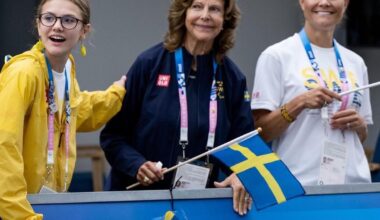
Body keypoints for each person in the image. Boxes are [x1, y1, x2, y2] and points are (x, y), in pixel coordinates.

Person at [100, 0, 253, 215]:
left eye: (215, 9)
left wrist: (241, 173)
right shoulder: (149, 63)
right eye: (197, 6)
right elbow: (113, 137)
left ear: (225, 19)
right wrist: (137, 165)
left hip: (197, 207)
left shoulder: (232, 78)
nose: (205, 15)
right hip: (138, 203)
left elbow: (245, 145)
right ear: (183, 13)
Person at [0, 0, 126, 219]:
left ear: (84, 30)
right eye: (49, 18)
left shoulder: (67, 68)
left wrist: (116, 94)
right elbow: (4, 146)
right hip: (16, 211)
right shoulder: (24, 72)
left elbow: (74, 113)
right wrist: (20, 215)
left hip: (46, 205)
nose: (57, 26)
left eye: (68, 20)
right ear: (38, 25)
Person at [251, 0, 372, 186]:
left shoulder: (356, 63)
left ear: (346, 3)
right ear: (301, 2)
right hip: (299, 185)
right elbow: (261, 132)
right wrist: (298, 103)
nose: (324, 2)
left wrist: (360, 125)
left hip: (354, 185)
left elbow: (362, 136)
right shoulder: (276, 56)